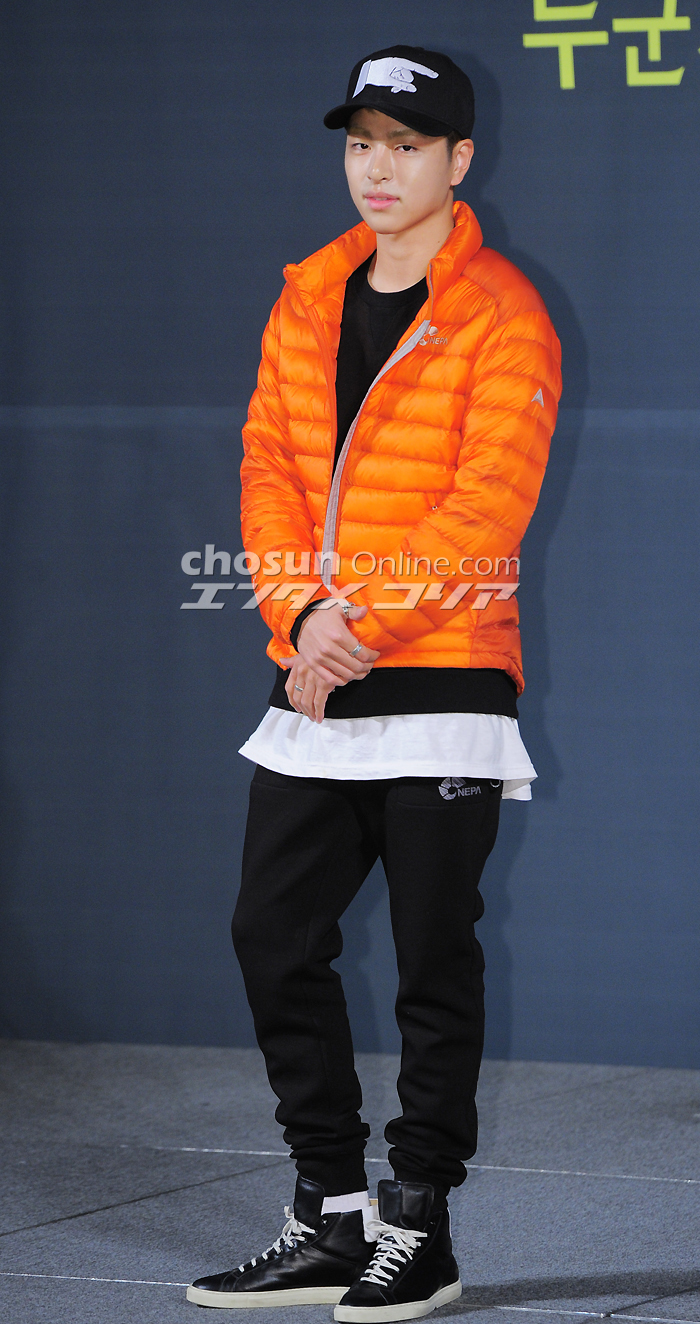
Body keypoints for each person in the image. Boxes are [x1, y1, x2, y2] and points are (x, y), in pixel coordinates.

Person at [188, 45, 561, 1321]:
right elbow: (268, 469)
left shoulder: (504, 311)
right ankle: (330, 1214)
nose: (378, 168)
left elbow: (487, 505)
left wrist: (362, 623)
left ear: (461, 159)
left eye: (407, 145)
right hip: (317, 673)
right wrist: (301, 616)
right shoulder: (306, 296)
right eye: (361, 144)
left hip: (444, 677)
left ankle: (421, 1228)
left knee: (429, 961)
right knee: (271, 933)